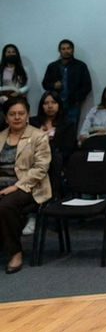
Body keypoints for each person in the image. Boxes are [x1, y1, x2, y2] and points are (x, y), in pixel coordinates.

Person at [0, 98, 52, 274]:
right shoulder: (0, 136)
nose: (17, 117)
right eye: (12, 114)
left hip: (29, 186)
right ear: (6, 117)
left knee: (5, 206)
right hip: (2, 184)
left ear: (27, 115)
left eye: (21, 114)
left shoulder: (38, 136)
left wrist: (17, 186)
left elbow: (41, 168)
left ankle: (15, 253)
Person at [41, 39, 92, 125]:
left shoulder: (80, 66)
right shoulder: (53, 66)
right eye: (63, 49)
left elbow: (87, 86)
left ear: (73, 50)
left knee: (71, 128)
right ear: (59, 51)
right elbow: (45, 84)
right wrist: (53, 85)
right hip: (55, 104)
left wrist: (76, 98)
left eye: (68, 48)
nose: (66, 51)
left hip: (73, 104)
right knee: (54, 127)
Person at [29, 91, 77, 162]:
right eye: (46, 103)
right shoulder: (32, 122)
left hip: (57, 161)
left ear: (59, 105)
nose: (50, 106)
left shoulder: (68, 125)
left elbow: (68, 150)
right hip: (33, 158)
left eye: (54, 102)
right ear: (42, 106)